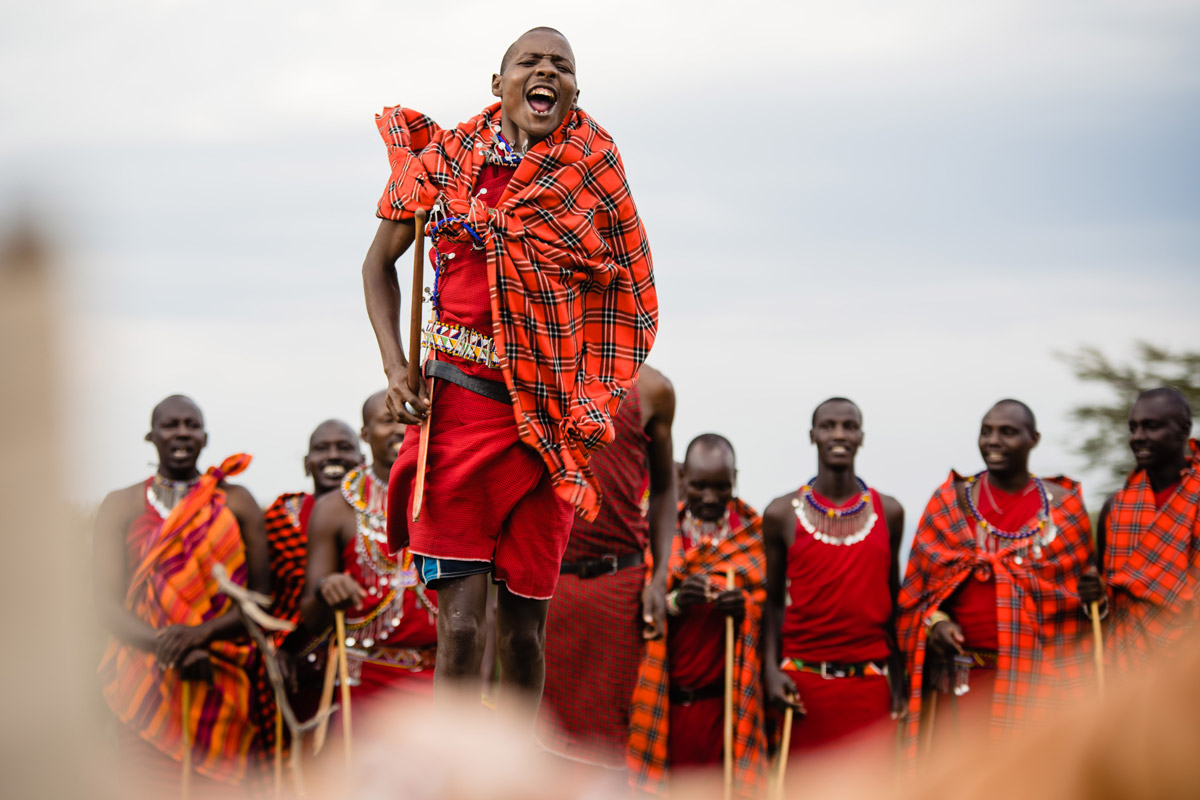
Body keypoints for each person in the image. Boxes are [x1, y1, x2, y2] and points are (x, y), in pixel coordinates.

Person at [360, 25, 657, 709]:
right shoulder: (447, 163)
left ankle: (518, 779)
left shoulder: (594, 173)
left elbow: (630, 297)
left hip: (544, 428)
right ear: (499, 85)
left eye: (562, 65)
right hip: (456, 414)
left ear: (576, 91)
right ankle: (454, 778)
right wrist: (395, 368)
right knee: (462, 629)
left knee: (524, 634)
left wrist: (588, 386)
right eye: (529, 61)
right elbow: (378, 265)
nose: (545, 71)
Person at [94, 395, 270, 789]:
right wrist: (168, 646)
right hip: (143, 677)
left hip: (221, 674)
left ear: (205, 438)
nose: (181, 433)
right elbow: (105, 603)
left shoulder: (237, 501)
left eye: (191, 425)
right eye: (170, 425)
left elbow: (261, 599)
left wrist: (201, 637)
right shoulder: (121, 505)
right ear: (150, 436)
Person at [898, 399, 1093, 750]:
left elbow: (1077, 610)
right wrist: (936, 622)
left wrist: (1098, 598)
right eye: (986, 431)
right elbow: (917, 597)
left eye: (1007, 432)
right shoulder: (950, 502)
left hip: (1037, 685)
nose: (993, 441)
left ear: (1033, 438)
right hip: (961, 683)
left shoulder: (1063, 507)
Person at [537, 365, 676, 768]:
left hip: (620, 584)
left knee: (610, 739)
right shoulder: (540, 372)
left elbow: (666, 489)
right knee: (541, 733)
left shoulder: (653, 390)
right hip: (547, 581)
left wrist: (660, 574)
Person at [761, 398, 906, 766]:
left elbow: (894, 598)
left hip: (871, 684)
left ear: (861, 437)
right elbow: (773, 602)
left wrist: (900, 680)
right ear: (813, 436)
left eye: (849, 426)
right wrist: (770, 671)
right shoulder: (780, 513)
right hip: (803, 686)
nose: (839, 435)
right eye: (828, 426)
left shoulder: (889, 511)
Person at [627, 435, 766, 796]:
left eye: (721, 487)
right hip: (663, 704)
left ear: (734, 479)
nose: (709, 497)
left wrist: (745, 608)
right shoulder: (655, 534)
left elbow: (771, 608)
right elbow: (635, 604)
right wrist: (674, 600)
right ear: (683, 478)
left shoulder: (751, 536)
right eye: (699, 485)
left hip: (723, 708)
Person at [302, 391, 437, 707]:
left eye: (409, 419)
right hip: (363, 684)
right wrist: (326, 588)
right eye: (387, 420)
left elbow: (481, 609)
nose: (399, 429)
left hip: (439, 682)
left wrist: (477, 685)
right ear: (365, 433)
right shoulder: (334, 509)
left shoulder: (449, 497)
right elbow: (310, 615)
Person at [1078, 387, 1199, 667]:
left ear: (1183, 430)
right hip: (1126, 663)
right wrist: (1095, 595)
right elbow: (1104, 598)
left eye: (1151, 427)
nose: (1138, 437)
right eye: (1133, 428)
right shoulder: (1115, 509)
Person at [263, 420, 362, 720]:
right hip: (296, 666)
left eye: (344, 448)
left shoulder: (379, 521)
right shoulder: (284, 516)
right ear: (307, 465)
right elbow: (262, 594)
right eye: (322, 449)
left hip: (365, 665)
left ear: (362, 462)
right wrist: (273, 649)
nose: (333, 455)